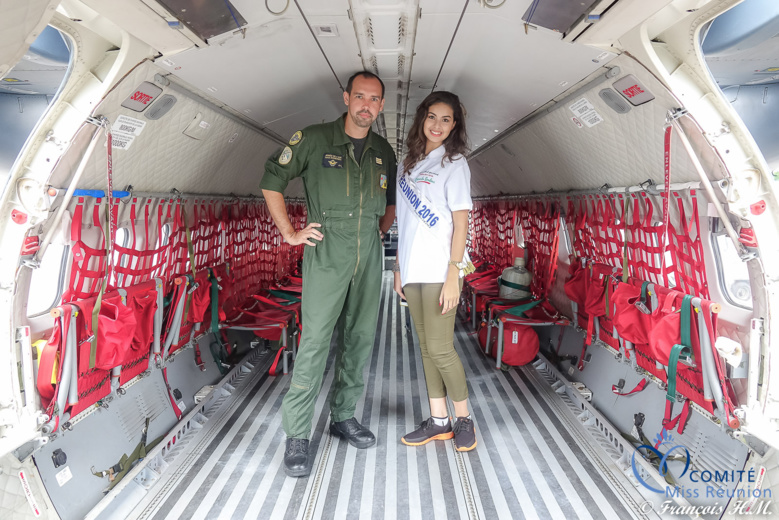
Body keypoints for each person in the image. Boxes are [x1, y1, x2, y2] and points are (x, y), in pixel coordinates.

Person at [260, 71, 397, 477]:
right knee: (316, 341)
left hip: (368, 251)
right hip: (327, 247)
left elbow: (390, 202)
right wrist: (290, 232)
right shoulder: (315, 138)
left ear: (381, 106)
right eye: (360, 97)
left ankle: (343, 415)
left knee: (360, 337)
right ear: (346, 98)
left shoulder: (382, 150)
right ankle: (298, 433)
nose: (366, 105)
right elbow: (272, 179)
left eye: (374, 99)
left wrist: (378, 233)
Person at [393, 91, 476, 452]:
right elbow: (403, 222)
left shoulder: (454, 164)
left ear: (454, 125)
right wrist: (397, 268)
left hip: (442, 270)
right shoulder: (406, 164)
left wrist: (454, 275)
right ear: (421, 119)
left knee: (442, 349)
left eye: (446, 119)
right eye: (431, 117)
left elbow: (461, 224)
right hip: (413, 269)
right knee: (426, 349)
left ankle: (464, 420)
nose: (437, 125)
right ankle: (438, 421)